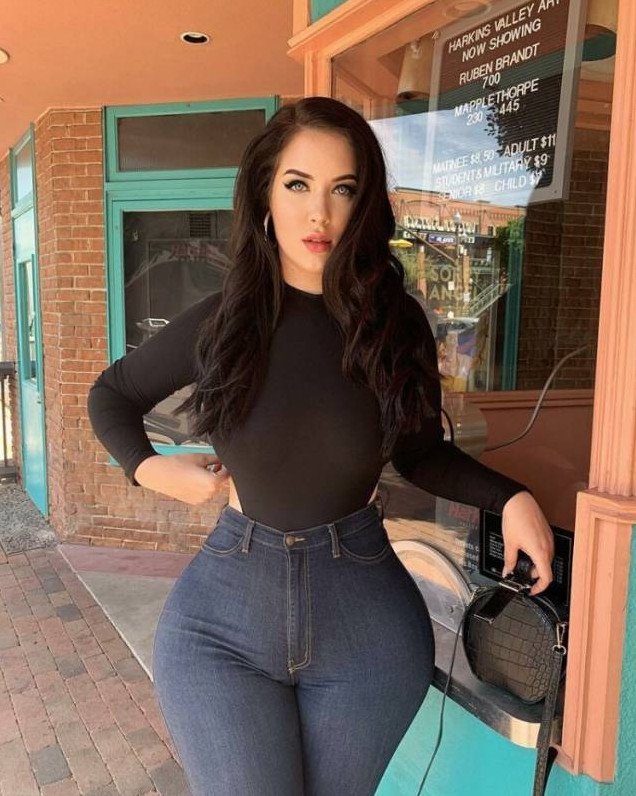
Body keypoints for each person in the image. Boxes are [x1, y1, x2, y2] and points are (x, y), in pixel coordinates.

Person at [87, 97, 555, 796]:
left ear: (363, 205)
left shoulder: (394, 326)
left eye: (343, 190)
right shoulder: (222, 323)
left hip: (363, 622)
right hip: (224, 623)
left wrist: (510, 497)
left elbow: (420, 453)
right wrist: (152, 470)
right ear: (265, 195)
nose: (319, 214)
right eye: (298, 184)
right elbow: (111, 395)